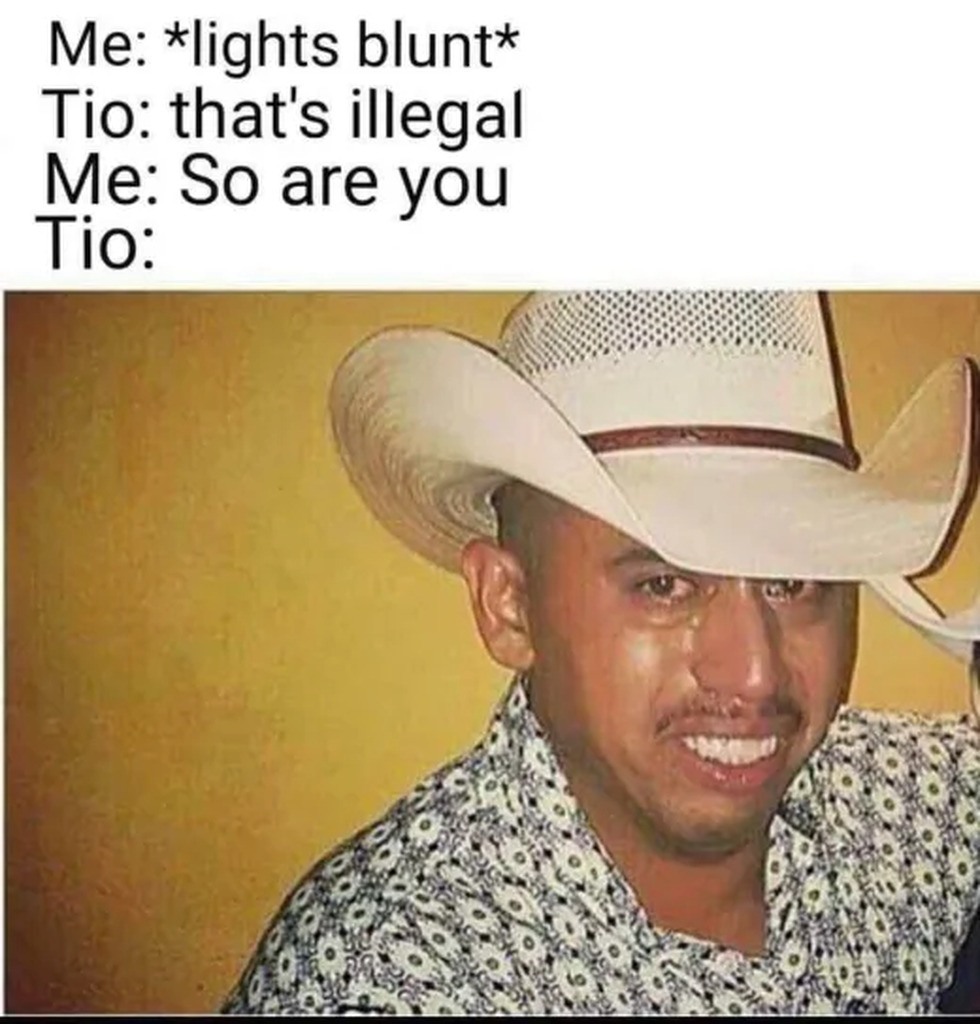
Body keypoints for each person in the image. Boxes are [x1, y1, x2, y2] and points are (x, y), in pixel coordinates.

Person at [223, 291, 980, 1014]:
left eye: (792, 581)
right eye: (664, 585)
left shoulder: (909, 806)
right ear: (508, 605)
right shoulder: (385, 979)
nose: (754, 672)